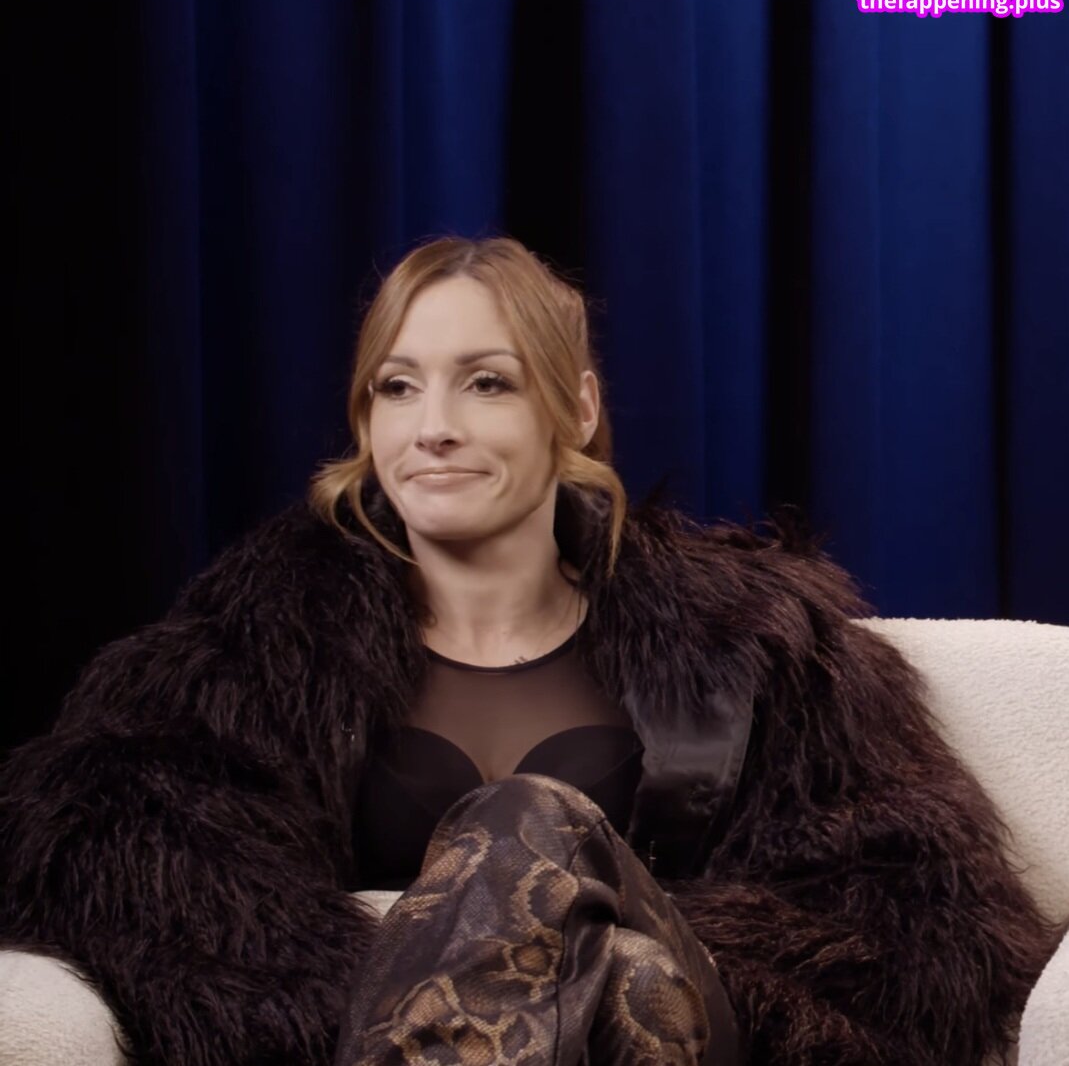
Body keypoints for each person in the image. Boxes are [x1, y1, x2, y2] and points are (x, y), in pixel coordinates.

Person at [0, 235, 1055, 1065]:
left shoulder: (755, 650)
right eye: (397, 386)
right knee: (616, 975)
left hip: (702, 1027)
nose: (433, 426)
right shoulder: (235, 664)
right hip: (457, 1038)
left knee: (529, 826)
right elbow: (138, 887)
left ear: (574, 408)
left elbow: (911, 917)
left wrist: (591, 948)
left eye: (486, 383)